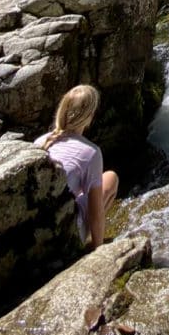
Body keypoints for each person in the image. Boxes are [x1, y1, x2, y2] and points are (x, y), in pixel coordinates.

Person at [34, 85, 118, 250]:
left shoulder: (40, 142)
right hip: (64, 235)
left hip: (36, 231)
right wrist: (98, 251)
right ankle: (83, 240)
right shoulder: (91, 152)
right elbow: (95, 213)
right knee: (111, 178)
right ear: (89, 116)